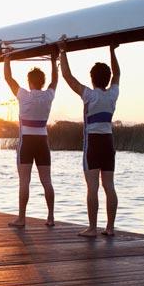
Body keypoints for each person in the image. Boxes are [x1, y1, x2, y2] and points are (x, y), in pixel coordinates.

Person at [59, 40, 120, 237]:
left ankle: (93, 228)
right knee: (109, 186)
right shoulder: (112, 94)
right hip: (108, 143)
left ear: (92, 79)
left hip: (93, 143)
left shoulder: (89, 95)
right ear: (107, 79)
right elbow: (117, 74)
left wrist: (62, 51)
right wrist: (112, 50)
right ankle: (110, 228)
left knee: (92, 187)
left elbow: (68, 77)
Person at [3, 49, 58, 227]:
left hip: (26, 141)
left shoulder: (23, 95)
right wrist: (53, 60)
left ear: (29, 82)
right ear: (42, 82)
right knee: (46, 181)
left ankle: (21, 218)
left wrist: (7, 58)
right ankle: (50, 217)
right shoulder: (48, 95)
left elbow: (8, 79)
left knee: (24, 181)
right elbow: (55, 80)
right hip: (42, 142)